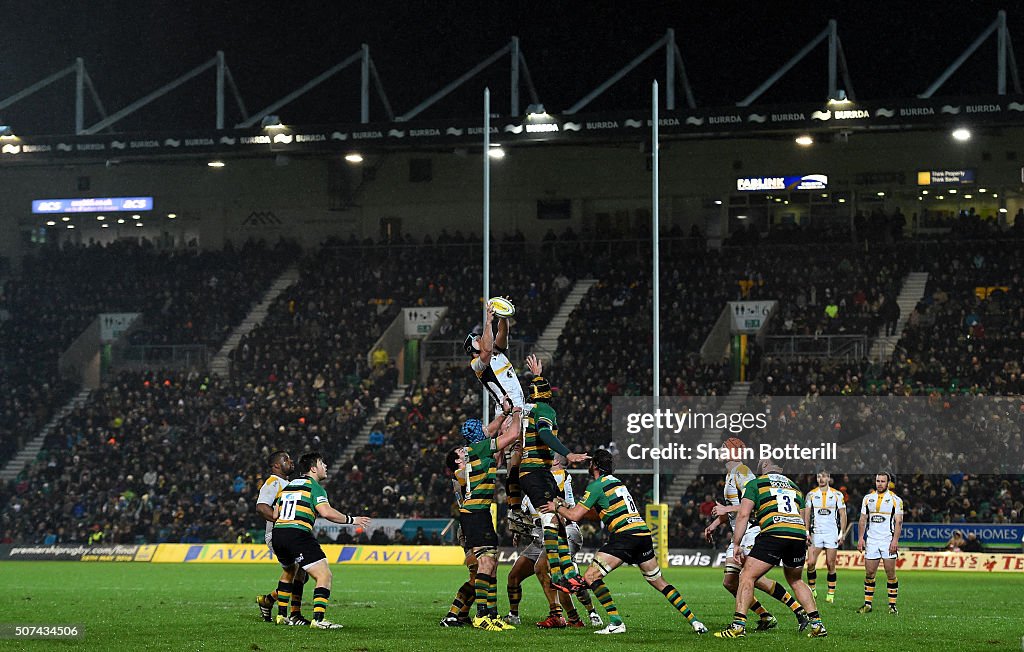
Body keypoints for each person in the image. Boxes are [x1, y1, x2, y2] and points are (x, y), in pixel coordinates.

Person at [542, 449, 707, 636]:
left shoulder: (596, 485)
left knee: (591, 577)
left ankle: (616, 622)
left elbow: (574, 516)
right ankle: (695, 621)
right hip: (642, 535)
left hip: (625, 536)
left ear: (594, 465)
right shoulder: (617, 483)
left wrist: (556, 506)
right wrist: (571, 509)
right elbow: (598, 513)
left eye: (591, 463)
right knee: (660, 582)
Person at [703, 438, 808, 632]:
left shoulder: (743, 472)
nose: (719, 451)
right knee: (730, 582)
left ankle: (798, 610)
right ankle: (765, 616)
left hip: (751, 531)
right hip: (740, 532)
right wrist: (716, 523)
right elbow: (735, 511)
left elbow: (752, 505)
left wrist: (726, 509)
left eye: (723, 448)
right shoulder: (730, 475)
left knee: (750, 577)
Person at [715, 459, 827, 639]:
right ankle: (818, 625)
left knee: (746, 576)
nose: (759, 465)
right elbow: (803, 514)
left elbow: (744, 514)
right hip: (797, 534)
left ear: (767, 467)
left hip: (774, 532)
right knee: (796, 581)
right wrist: (804, 532)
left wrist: (736, 544)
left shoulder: (755, 484)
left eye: (762, 463)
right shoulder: (794, 486)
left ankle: (738, 626)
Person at [272, 452, 371, 630]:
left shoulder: (289, 486)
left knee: (289, 572)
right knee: (324, 575)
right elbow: (326, 512)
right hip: (298, 533)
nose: (325, 466)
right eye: (322, 463)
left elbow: (274, 514)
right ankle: (318, 619)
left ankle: (281, 616)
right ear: (313, 468)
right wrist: (352, 519)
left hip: (278, 533)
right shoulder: (314, 487)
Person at [517, 353, 590, 593]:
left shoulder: (531, 408)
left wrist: (537, 376)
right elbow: (545, 434)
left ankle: (567, 573)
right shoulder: (546, 409)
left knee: (559, 518)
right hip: (535, 471)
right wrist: (567, 454)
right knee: (550, 516)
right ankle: (558, 574)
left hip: (536, 471)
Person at [448, 400, 524, 631]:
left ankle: (490, 614)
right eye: (482, 428)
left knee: (491, 563)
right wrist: (517, 412)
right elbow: (513, 435)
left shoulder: (475, 452)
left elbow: (492, 433)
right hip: (475, 514)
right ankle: (481, 615)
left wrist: (503, 413)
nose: (486, 429)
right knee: (484, 563)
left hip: (479, 513)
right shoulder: (479, 449)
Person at [465, 302, 529, 535]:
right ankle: (513, 509)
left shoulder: (498, 352)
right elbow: (487, 350)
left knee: (516, 457)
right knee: (516, 454)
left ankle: (518, 508)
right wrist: (489, 320)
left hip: (516, 407)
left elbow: (504, 333)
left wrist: (503, 316)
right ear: (473, 347)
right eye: (479, 338)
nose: (484, 338)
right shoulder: (478, 363)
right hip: (510, 410)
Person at [254, 450, 310, 625]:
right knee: (296, 572)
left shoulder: (287, 483)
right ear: (276, 465)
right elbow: (262, 507)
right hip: (279, 534)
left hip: (288, 533)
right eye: (286, 459)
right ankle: (293, 615)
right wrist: (281, 522)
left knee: (302, 573)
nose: (291, 461)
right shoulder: (273, 482)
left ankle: (269, 600)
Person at [856, 472, 904, 615]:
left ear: (888, 483)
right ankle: (868, 604)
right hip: (871, 541)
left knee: (890, 573)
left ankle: (892, 606)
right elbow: (862, 520)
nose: (880, 483)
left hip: (887, 541)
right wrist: (860, 538)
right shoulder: (867, 498)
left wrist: (895, 540)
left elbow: (899, 522)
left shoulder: (896, 500)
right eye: (878, 481)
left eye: (883, 481)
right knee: (869, 573)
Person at [803, 471, 847, 603]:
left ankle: (830, 594)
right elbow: (807, 513)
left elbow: (843, 515)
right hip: (816, 533)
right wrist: (806, 531)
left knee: (830, 564)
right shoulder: (811, 494)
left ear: (829, 478)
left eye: (824, 476)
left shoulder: (837, 494)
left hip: (831, 533)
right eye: (818, 476)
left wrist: (842, 533)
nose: (821, 479)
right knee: (810, 563)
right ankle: (812, 589)